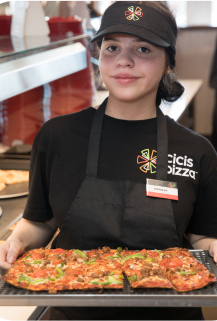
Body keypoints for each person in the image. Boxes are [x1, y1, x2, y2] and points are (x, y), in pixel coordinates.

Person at [1, 0, 217, 320]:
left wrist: (213, 245)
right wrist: (14, 241)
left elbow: (201, 234)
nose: (124, 61)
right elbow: (40, 220)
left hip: (171, 309)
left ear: (168, 63)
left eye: (143, 49)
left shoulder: (197, 150)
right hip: (73, 308)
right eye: (112, 47)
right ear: (98, 56)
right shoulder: (58, 136)